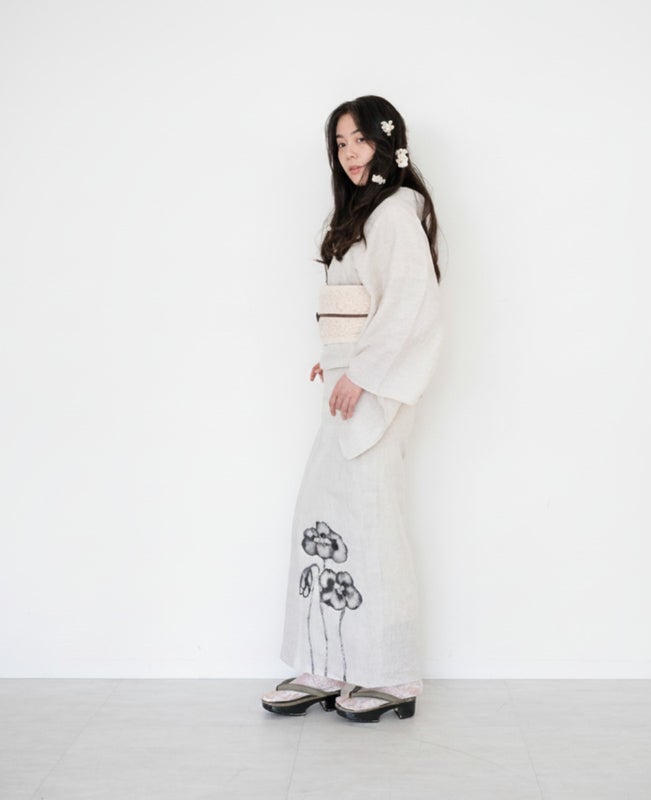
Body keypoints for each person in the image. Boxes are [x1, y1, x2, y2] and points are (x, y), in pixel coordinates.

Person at [260, 95, 443, 723]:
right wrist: (337, 360)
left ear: (387, 142)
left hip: (375, 391)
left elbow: (410, 304)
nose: (350, 153)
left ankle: (393, 673)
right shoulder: (364, 212)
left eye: (360, 139)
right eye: (340, 143)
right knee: (329, 514)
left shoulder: (395, 211)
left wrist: (361, 373)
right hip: (350, 385)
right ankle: (330, 661)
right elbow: (355, 306)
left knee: (372, 519)